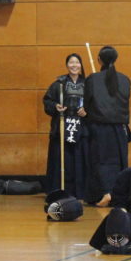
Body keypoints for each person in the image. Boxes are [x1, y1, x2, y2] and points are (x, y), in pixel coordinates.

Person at [84, 46, 131, 206]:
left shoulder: (92, 79)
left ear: (99, 60)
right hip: (120, 129)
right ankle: (117, 194)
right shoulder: (125, 79)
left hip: (99, 127)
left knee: (101, 160)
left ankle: (106, 192)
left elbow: (86, 104)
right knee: (119, 161)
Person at [43, 53, 87, 198]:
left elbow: (95, 104)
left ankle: (80, 192)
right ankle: (59, 190)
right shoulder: (59, 84)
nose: (74, 65)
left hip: (81, 128)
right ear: (67, 65)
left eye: (77, 62)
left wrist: (86, 111)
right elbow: (47, 101)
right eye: (71, 62)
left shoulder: (88, 84)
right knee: (61, 158)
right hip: (62, 127)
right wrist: (55, 106)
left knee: (80, 159)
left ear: (81, 65)